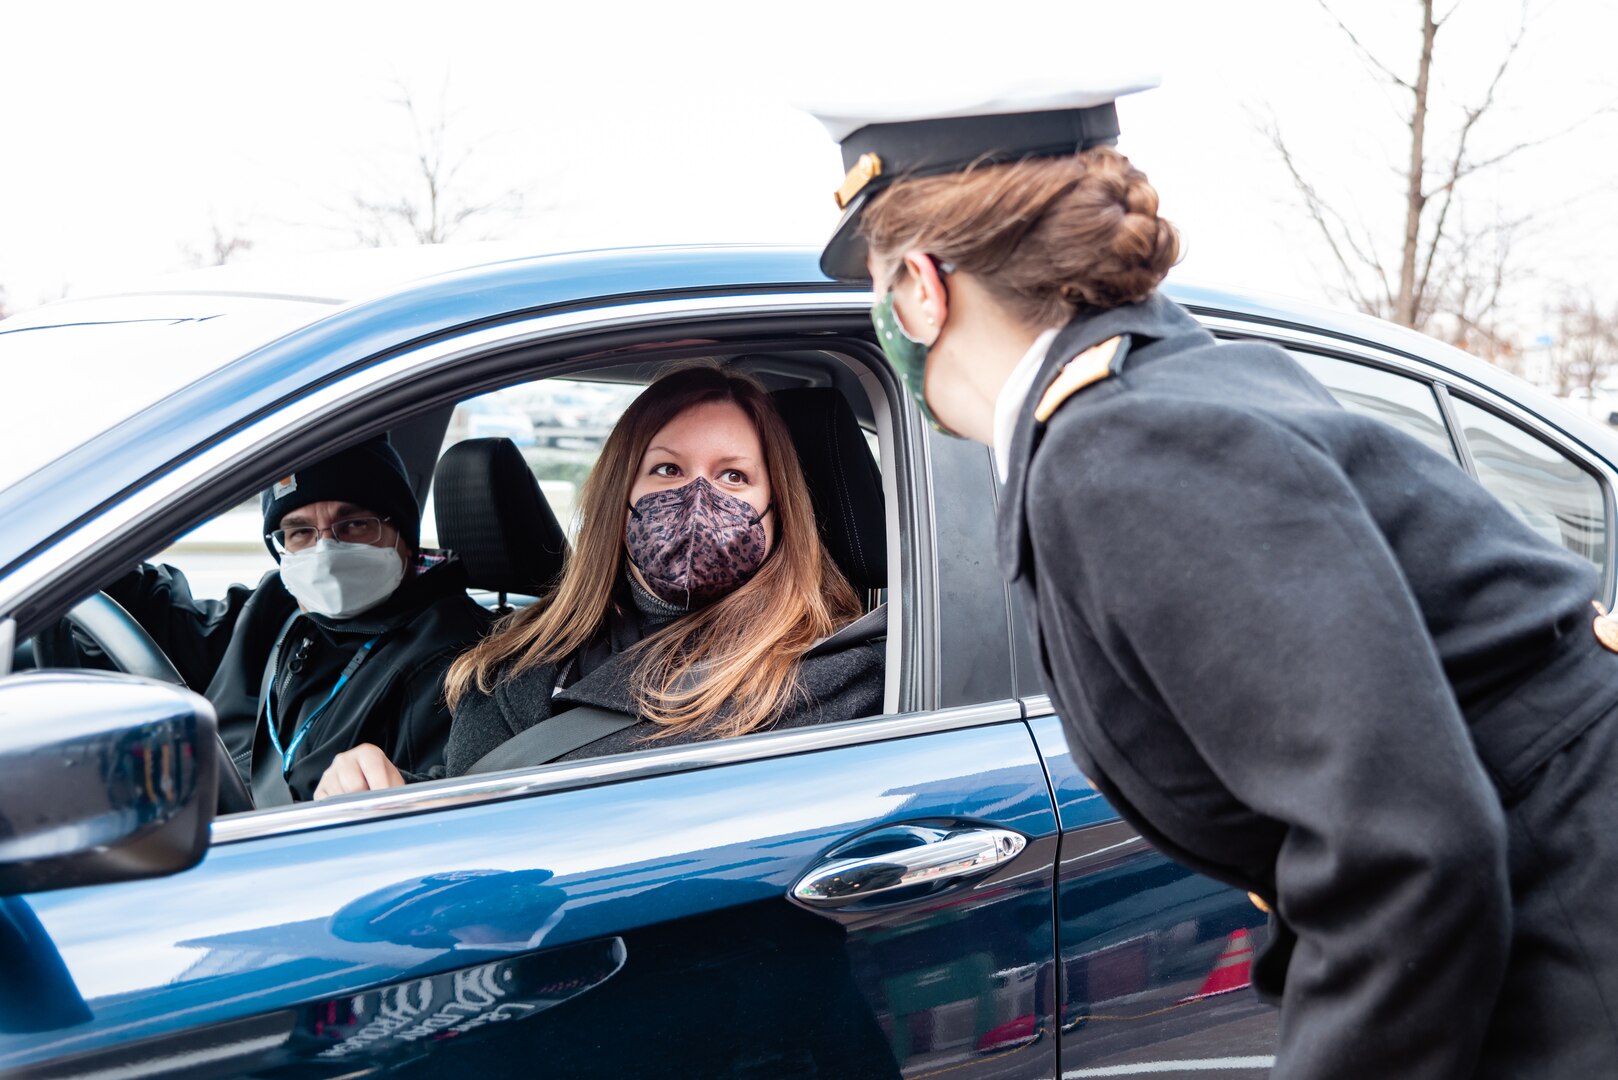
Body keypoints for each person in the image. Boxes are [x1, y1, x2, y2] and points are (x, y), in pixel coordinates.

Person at [807, 82, 1618, 1078]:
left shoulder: (1128, 449)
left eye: (879, 284)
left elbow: (1399, 853)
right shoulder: (1149, 399)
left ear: (923, 290)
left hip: (1573, 938)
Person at [314, 364, 883, 797]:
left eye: (733, 475)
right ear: (622, 494)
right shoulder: (525, 652)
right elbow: (483, 793)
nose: (697, 499)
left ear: (775, 507)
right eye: (668, 469)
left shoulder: (825, 673)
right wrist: (388, 792)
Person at [104, 436, 491, 805]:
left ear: (402, 536)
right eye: (301, 532)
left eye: (354, 524)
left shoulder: (457, 659)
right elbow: (168, 618)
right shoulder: (279, 607)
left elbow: (439, 801)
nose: (326, 551)